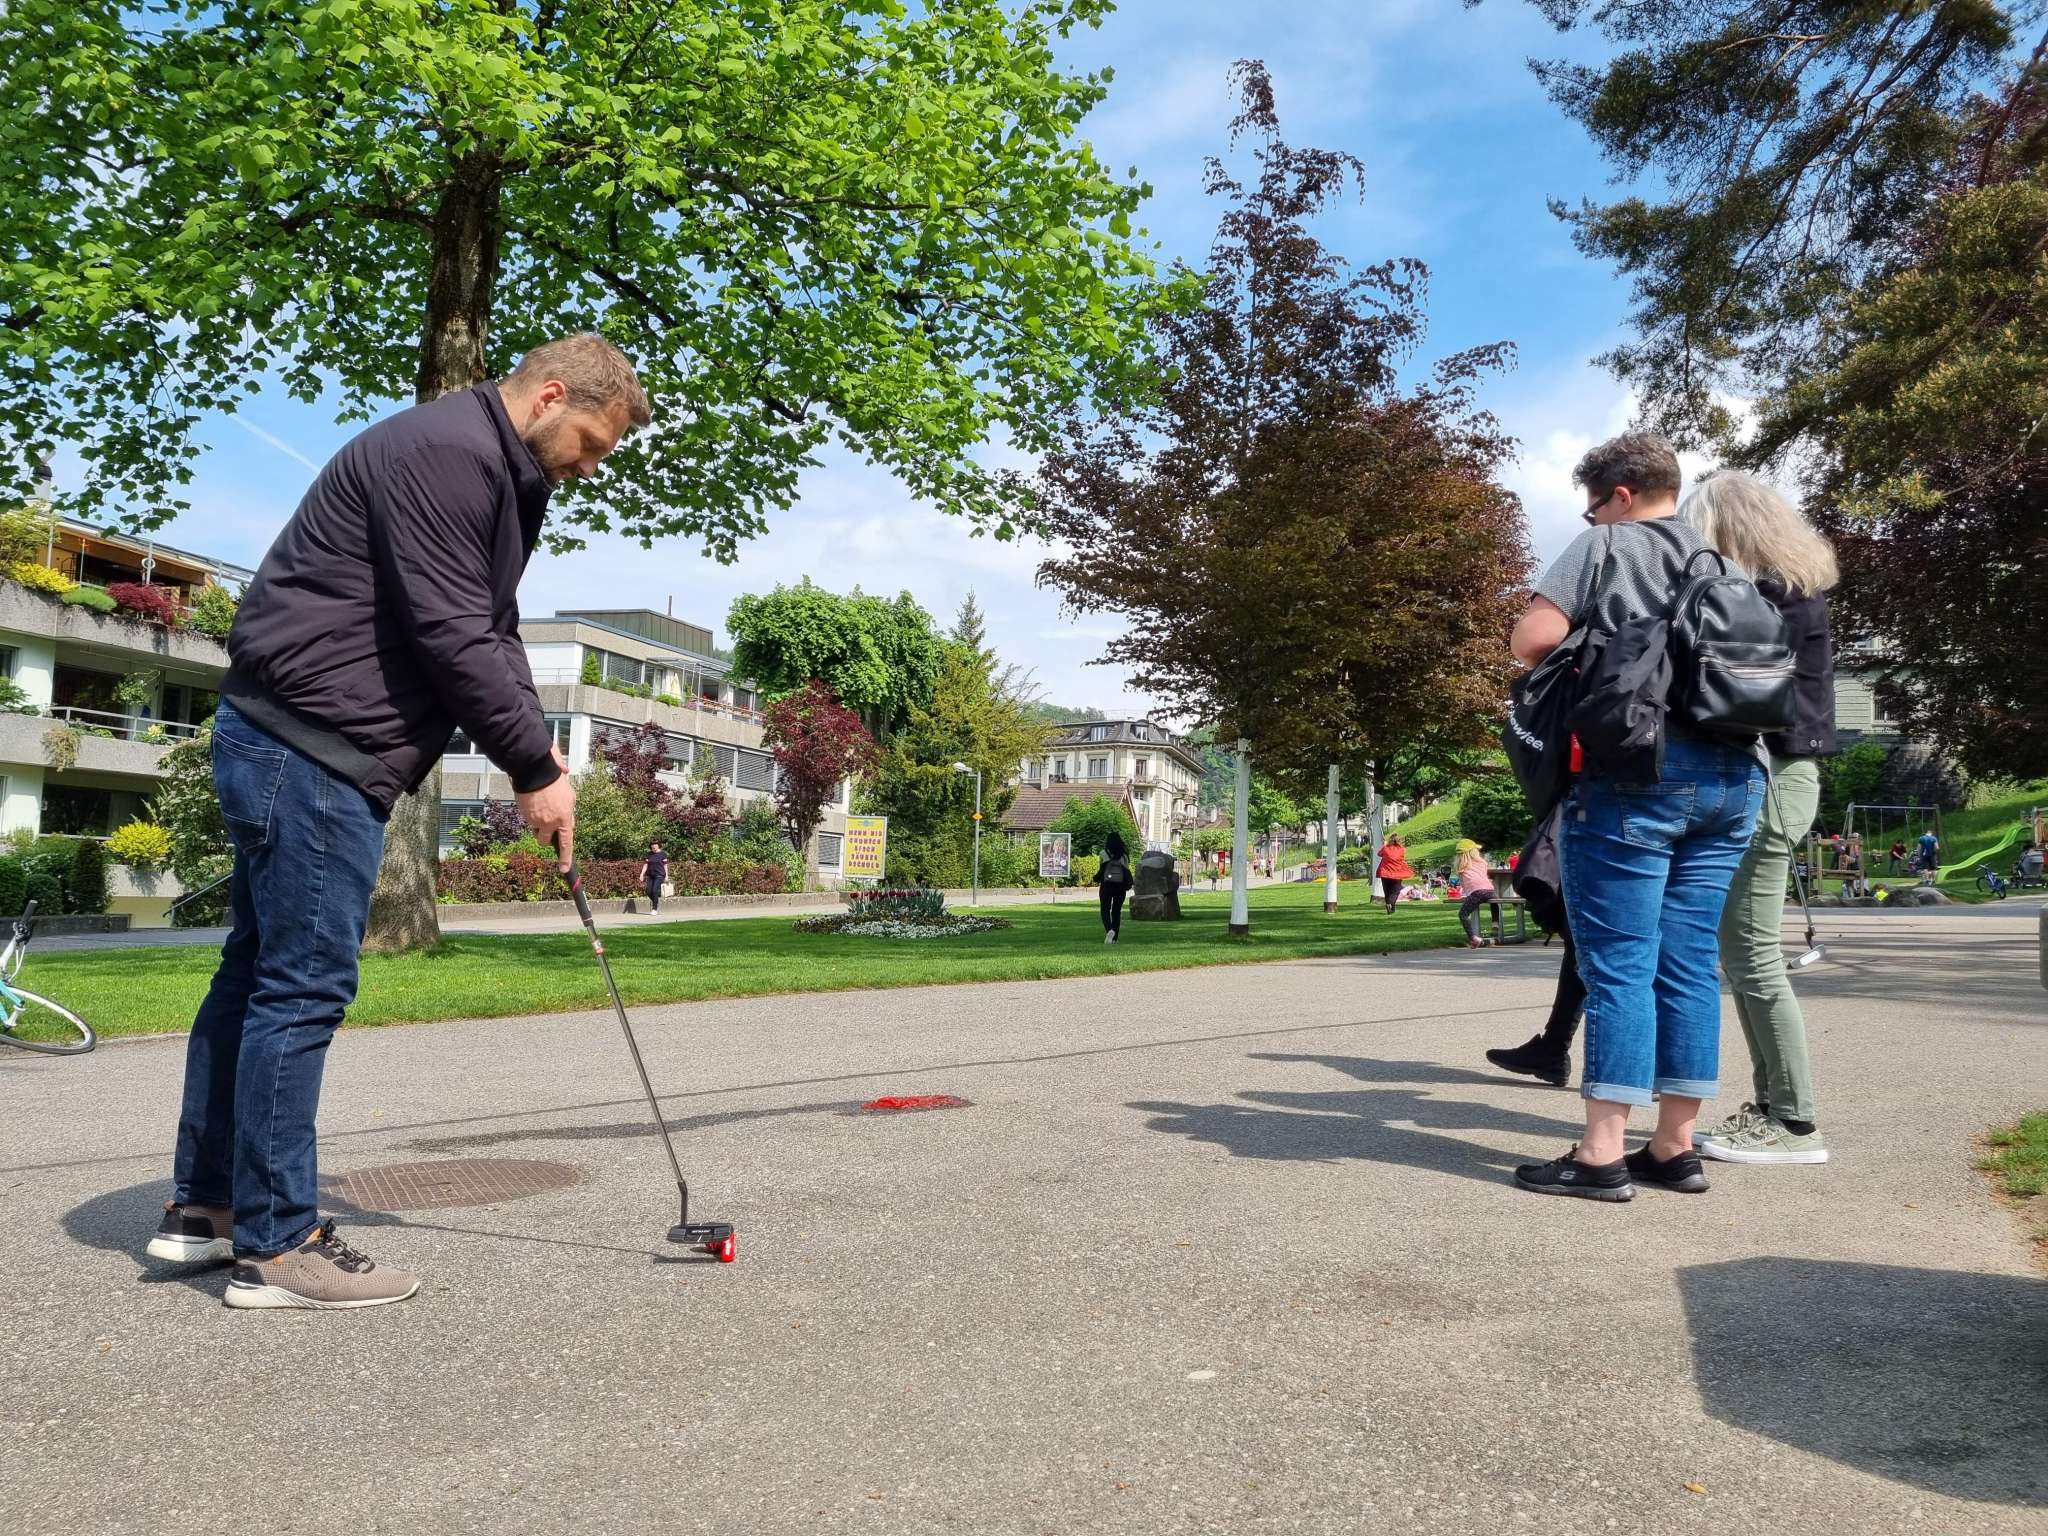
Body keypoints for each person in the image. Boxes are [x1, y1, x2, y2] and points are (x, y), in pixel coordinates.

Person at [148, 334, 649, 1310]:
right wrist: (530, 767)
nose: (591, 466)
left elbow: (493, 627)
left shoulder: (495, 468)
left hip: (292, 742)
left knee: (255, 978)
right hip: (311, 749)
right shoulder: (448, 454)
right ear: (551, 396)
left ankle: (205, 1208)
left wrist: (541, 759)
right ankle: (278, 1246)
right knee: (300, 989)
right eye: (591, 443)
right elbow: (452, 633)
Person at [1506, 432, 1764, 1202]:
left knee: (1619, 963)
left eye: (1593, 505)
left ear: (1621, 494)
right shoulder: (1725, 565)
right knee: (1688, 961)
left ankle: (1600, 1156)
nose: (1589, 518)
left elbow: (1533, 640)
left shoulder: (1607, 547)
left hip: (1638, 772)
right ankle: (1674, 1148)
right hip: (1736, 778)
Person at [1681, 471, 1838, 1166]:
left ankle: (1795, 1123)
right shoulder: (1792, 593)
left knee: (1752, 957)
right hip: (1782, 778)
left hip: (1774, 780)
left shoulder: (1770, 598)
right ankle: (1774, 1108)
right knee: (1745, 957)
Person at [1453, 839, 1499, 948]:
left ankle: (1473, 938)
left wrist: (1467, 895)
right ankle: (1495, 924)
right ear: (1474, 852)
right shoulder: (1482, 862)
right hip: (1490, 890)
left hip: (1476, 892)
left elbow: (1465, 885)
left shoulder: (1461, 866)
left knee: (1463, 914)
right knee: (1495, 903)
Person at [1098, 833, 1135, 943]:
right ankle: (1115, 939)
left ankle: (1109, 930)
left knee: (1105, 909)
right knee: (1116, 911)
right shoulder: (1124, 855)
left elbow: (1101, 870)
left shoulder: (1103, 853)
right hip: (1120, 886)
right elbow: (1126, 871)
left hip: (1106, 885)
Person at [1375, 834, 1413, 915]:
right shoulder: (1402, 849)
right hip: (1396, 873)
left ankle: (1390, 905)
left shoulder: (1385, 848)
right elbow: (1402, 857)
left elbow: (1379, 854)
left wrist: (1385, 845)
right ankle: (1390, 903)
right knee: (1395, 891)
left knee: (1387, 890)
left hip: (1385, 873)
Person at [639, 840, 669, 915]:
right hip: (650, 875)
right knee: (648, 891)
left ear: (658, 845)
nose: (654, 846)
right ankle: (656, 902)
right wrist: (642, 874)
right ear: (651, 846)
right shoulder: (649, 854)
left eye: (655, 844)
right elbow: (646, 865)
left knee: (654, 891)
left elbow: (665, 865)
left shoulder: (663, 854)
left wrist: (666, 876)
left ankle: (654, 909)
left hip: (659, 875)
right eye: (652, 845)